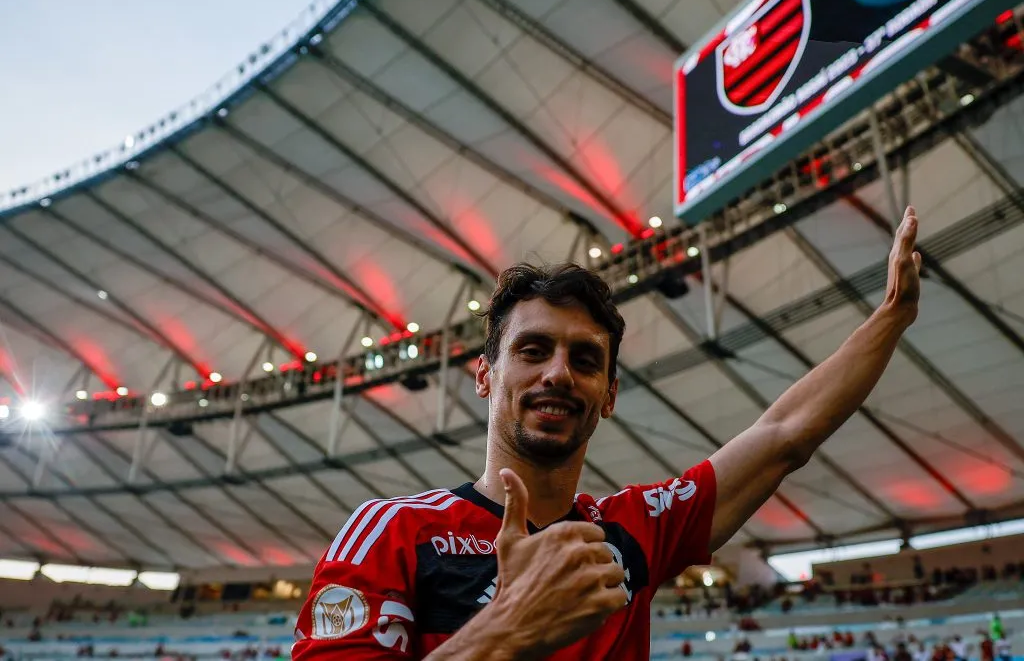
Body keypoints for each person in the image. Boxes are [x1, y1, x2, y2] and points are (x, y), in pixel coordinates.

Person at [292, 208, 924, 659]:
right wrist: (508, 629)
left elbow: (785, 433)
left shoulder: (633, 530)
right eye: (533, 350)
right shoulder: (390, 534)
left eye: (586, 360)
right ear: (484, 376)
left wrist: (892, 318)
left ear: (609, 395)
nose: (559, 374)